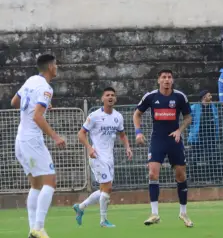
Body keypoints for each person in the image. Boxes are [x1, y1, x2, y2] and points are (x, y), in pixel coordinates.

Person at [11, 54, 66, 238]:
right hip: (32, 140)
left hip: (20, 139)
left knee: (35, 185)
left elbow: (15, 102)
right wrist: (56, 136)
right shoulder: (46, 88)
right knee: (50, 182)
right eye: (56, 64)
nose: (57, 67)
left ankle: (32, 230)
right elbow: (37, 117)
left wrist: (39, 106)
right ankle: (39, 227)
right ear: (50, 66)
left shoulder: (31, 80)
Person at [133, 69, 193, 227]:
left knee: (180, 175)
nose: (167, 80)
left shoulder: (180, 97)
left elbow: (188, 117)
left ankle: (183, 213)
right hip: (157, 139)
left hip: (174, 139)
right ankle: (154, 213)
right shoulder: (151, 96)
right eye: (164, 77)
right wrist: (138, 132)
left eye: (169, 77)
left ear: (172, 80)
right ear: (158, 80)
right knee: (153, 172)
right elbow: (137, 114)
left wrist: (179, 130)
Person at [73, 87, 133, 227]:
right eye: (107, 95)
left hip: (109, 157)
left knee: (104, 190)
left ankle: (80, 207)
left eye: (113, 95)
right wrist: (89, 148)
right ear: (102, 98)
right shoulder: (94, 116)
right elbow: (81, 134)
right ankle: (103, 220)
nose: (110, 97)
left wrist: (128, 147)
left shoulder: (118, 116)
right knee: (107, 187)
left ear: (115, 98)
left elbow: (122, 135)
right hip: (97, 156)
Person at [188, 90, 221, 184]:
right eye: (209, 95)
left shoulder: (213, 107)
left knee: (213, 157)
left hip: (210, 136)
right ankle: (192, 177)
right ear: (203, 98)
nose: (211, 97)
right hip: (198, 137)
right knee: (194, 157)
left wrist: (216, 134)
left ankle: (214, 177)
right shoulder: (194, 108)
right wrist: (193, 133)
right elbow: (189, 121)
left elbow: (216, 121)